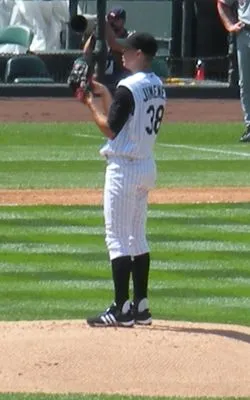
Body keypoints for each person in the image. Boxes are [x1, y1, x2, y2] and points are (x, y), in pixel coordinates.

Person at [80, 32, 166, 327]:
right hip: (145, 165)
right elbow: (127, 112)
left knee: (116, 238)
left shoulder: (128, 87)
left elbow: (110, 128)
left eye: (128, 51)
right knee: (137, 236)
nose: (122, 54)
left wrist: (91, 105)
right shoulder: (156, 84)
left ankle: (120, 308)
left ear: (140, 54)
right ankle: (140, 307)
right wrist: (104, 93)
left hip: (124, 169)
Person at [217, 0, 250, 142]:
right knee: (246, 83)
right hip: (245, 32)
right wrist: (230, 25)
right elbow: (222, 3)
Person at [83, 7, 130, 88]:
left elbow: (114, 44)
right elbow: (86, 52)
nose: (112, 22)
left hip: (120, 75)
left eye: (116, 19)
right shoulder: (101, 36)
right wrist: (95, 33)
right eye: (110, 19)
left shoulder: (128, 36)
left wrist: (106, 27)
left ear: (123, 21)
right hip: (101, 74)